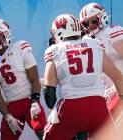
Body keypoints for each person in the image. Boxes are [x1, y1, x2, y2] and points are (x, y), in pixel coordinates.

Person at [42, 13, 123, 140]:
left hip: (70, 107)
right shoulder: (95, 45)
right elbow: (117, 76)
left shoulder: (55, 50)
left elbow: (49, 94)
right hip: (98, 106)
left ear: (58, 33)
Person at [0, 18, 46, 140]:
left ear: (6, 35)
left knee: (43, 132)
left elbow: (34, 79)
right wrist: (7, 116)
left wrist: (35, 102)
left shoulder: (20, 48)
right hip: (11, 105)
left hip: (29, 100)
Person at [80, 2, 123, 131]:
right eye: (86, 24)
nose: (90, 26)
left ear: (102, 17)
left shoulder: (112, 31)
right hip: (104, 95)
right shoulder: (85, 41)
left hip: (118, 90)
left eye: (93, 21)